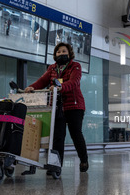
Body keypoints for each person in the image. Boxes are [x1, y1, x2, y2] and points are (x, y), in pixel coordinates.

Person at [24, 42, 89, 173]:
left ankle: (84, 160)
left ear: (69, 53)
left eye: (64, 51)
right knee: (57, 136)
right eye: (58, 52)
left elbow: (73, 82)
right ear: (55, 55)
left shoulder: (75, 66)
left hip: (74, 106)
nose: (61, 54)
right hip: (57, 106)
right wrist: (32, 87)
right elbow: (42, 81)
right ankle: (56, 165)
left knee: (76, 134)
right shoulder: (52, 68)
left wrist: (60, 88)